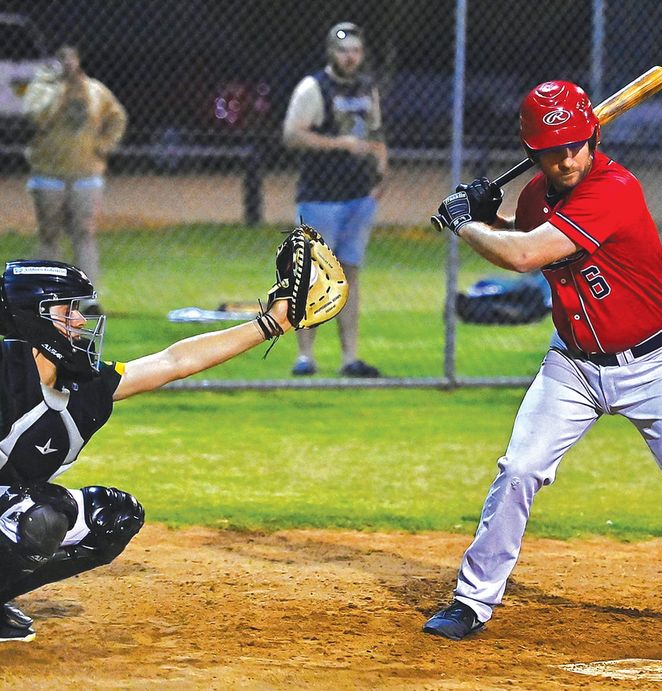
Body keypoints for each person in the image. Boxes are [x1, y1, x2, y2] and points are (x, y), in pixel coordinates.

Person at [422, 81, 662, 656]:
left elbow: (525, 255)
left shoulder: (615, 189)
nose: (565, 159)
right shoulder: (535, 196)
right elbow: (527, 234)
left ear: (593, 138)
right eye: (551, 150)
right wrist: (493, 215)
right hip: (573, 366)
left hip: (654, 365)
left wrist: (466, 223)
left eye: (574, 145)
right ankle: (471, 600)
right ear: (533, 151)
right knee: (519, 469)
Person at [0, 259, 293, 642]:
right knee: (38, 518)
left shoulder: (82, 385)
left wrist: (271, 324)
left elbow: (174, 361)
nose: (81, 320)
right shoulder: (6, 376)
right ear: (31, 317)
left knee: (113, 517)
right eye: (67, 310)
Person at [282, 21, 388, 378]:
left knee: (350, 274)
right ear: (331, 52)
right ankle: (305, 356)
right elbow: (292, 135)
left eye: (355, 50)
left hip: (359, 196)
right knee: (312, 274)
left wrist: (381, 173)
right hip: (320, 196)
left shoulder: (367, 88)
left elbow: (376, 133)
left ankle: (349, 358)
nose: (350, 57)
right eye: (344, 51)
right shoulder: (314, 87)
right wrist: (338, 144)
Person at [23, 46, 128, 314]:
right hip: (48, 173)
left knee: (84, 234)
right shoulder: (41, 89)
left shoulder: (95, 90)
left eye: (72, 59)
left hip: (86, 174)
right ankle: (48, 296)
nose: (68, 65)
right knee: (49, 235)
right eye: (62, 60)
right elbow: (36, 117)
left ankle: (89, 299)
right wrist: (62, 92)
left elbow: (117, 116)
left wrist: (104, 146)